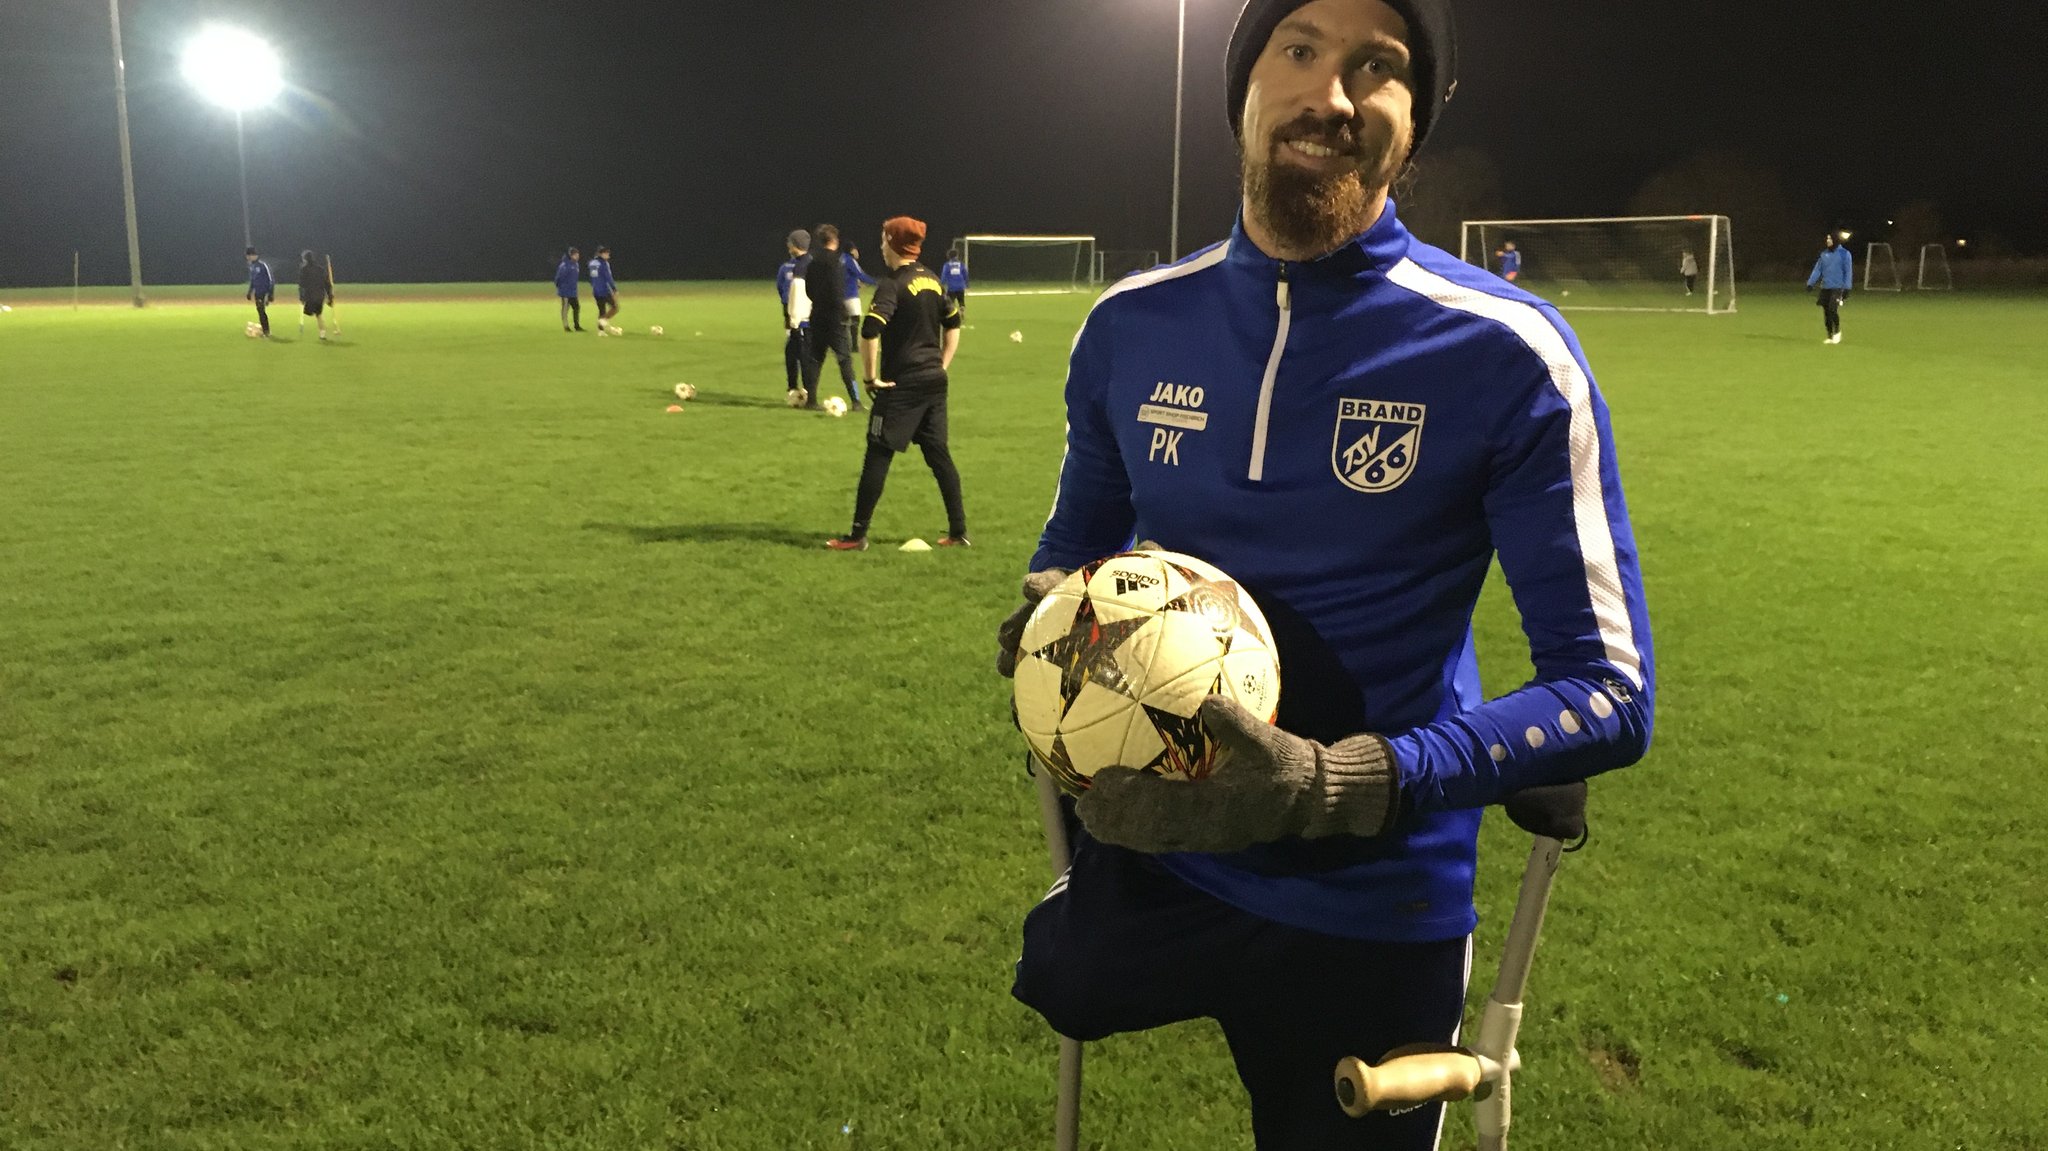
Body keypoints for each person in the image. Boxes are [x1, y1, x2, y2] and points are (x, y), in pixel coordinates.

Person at [993, 1, 1656, 1147]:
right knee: (1061, 976)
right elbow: (1067, 560)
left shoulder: (1504, 351)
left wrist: (1333, 781)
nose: (1331, 93)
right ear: (1244, 90)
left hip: (1373, 892)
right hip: (1160, 857)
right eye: (1297, 50)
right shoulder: (1128, 327)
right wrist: (1047, 632)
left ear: (1412, 122)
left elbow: (1607, 688)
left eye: (1377, 68)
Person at [825, 217, 967, 552]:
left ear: (892, 242)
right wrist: (942, 365)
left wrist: (871, 377)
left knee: (877, 453)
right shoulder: (933, 280)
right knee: (939, 455)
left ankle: (857, 536)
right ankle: (959, 531)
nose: (880, 246)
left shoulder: (892, 284)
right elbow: (954, 324)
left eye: (883, 240)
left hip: (901, 385)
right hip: (934, 381)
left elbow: (871, 330)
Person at [801, 224, 864, 411]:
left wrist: (818, 302)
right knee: (844, 359)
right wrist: (842, 310)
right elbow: (837, 289)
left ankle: (811, 401)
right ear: (835, 240)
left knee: (815, 358)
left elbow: (809, 289)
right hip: (835, 317)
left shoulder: (812, 262)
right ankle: (856, 401)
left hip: (817, 314)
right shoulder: (838, 262)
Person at [778, 230, 814, 403]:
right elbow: (780, 288)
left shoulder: (811, 265)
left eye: (790, 242)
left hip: (806, 318)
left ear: (795, 244)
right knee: (791, 353)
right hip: (790, 316)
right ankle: (792, 388)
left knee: (805, 355)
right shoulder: (786, 267)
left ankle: (808, 393)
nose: (787, 245)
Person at [841, 245, 878, 396]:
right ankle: (854, 346)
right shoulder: (849, 260)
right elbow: (860, 274)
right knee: (856, 320)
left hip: (839, 296)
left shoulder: (839, 259)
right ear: (852, 250)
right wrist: (877, 283)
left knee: (843, 323)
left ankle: (844, 345)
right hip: (850, 296)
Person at [1806, 234, 1853, 344]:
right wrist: (1810, 283)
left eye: (1830, 238)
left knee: (1833, 310)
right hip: (1826, 287)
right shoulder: (1824, 254)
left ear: (1835, 240)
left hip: (1838, 288)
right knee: (1826, 312)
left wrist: (1847, 288)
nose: (1828, 240)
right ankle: (1829, 335)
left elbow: (1848, 271)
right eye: (1827, 238)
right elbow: (1817, 270)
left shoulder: (1844, 254)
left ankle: (1837, 332)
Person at [296, 250, 335, 341]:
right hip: (319, 295)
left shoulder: (304, 269)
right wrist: (330, 296)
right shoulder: (320, 269)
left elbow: (301, 284)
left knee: (310, 312)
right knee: (318, 314)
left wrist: (301, 296)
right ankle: (322, 333)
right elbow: (327, 284)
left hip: (310, 296)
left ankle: (322, 332)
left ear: (305, 259)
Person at [244, 247, 274, 338]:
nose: (247, 258)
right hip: (257, 292)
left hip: (264, 292)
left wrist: (270, 293)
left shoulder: (263, 265)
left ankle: (266, 331)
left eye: (248, 256)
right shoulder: (252, 266)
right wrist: (250, 292)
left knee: (261, 310)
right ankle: (265, 331)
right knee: (260, 310)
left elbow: (271, 280)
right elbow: (253, 280)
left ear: (253, 255)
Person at [589, 245, 619, 332]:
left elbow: (592, 277)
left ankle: (601, 331)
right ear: (601, 254)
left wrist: (594, 286)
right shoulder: (604, 264)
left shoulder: (592, 263)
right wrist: (614, 288)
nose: (608, 255)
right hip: (604, 290)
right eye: (606, 253)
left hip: (595, 290)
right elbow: (608, 277)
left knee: (602, 310)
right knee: (615, 307)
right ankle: (603, 321)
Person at [557, 247, 585, 331]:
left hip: (573, 291)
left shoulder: (576, 264)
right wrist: (562, 289)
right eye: (576, 255)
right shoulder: (564, 265)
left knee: (576, 307)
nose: (578, 256)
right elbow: (558, 278)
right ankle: (566, 326)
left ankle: (577, 326)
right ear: (571, 255)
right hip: (565, 291)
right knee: (565, 308)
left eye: (578, 254)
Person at [940, 248, 969, 315]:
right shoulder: (961, 264)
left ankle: (953, 314)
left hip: (951, 287)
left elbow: (944, 275)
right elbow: (965, 274)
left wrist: (941, 284)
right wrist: (967, 285)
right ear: (957, 256)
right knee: (961, 301)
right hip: (960, 286)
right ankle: (962, 312)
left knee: (951, 302)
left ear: (949, 256)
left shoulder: (947, 265)